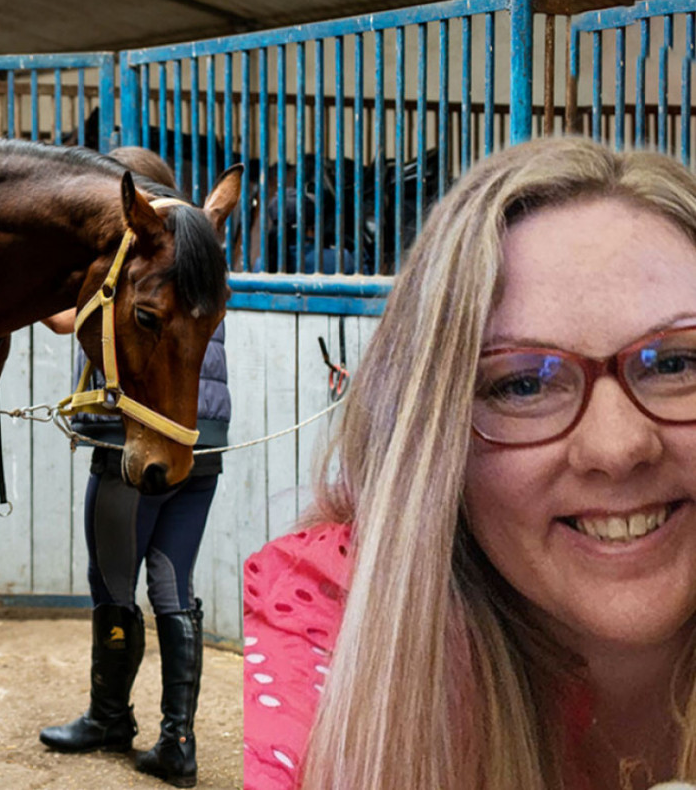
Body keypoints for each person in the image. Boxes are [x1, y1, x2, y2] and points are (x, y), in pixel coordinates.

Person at [244, 136, 696, 790]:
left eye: (676, 364)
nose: (616, 447)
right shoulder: (322, 620)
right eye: (522, 385)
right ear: (433, 441)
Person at [40, 147, 230, 789]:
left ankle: (109, 717)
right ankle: (178, 740)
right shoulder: (202, 252)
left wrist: (31, 296)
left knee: (113, 584)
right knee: (175, 587)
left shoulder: (142, 265)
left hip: (134, 445)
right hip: (204, 445)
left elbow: (76, 323)